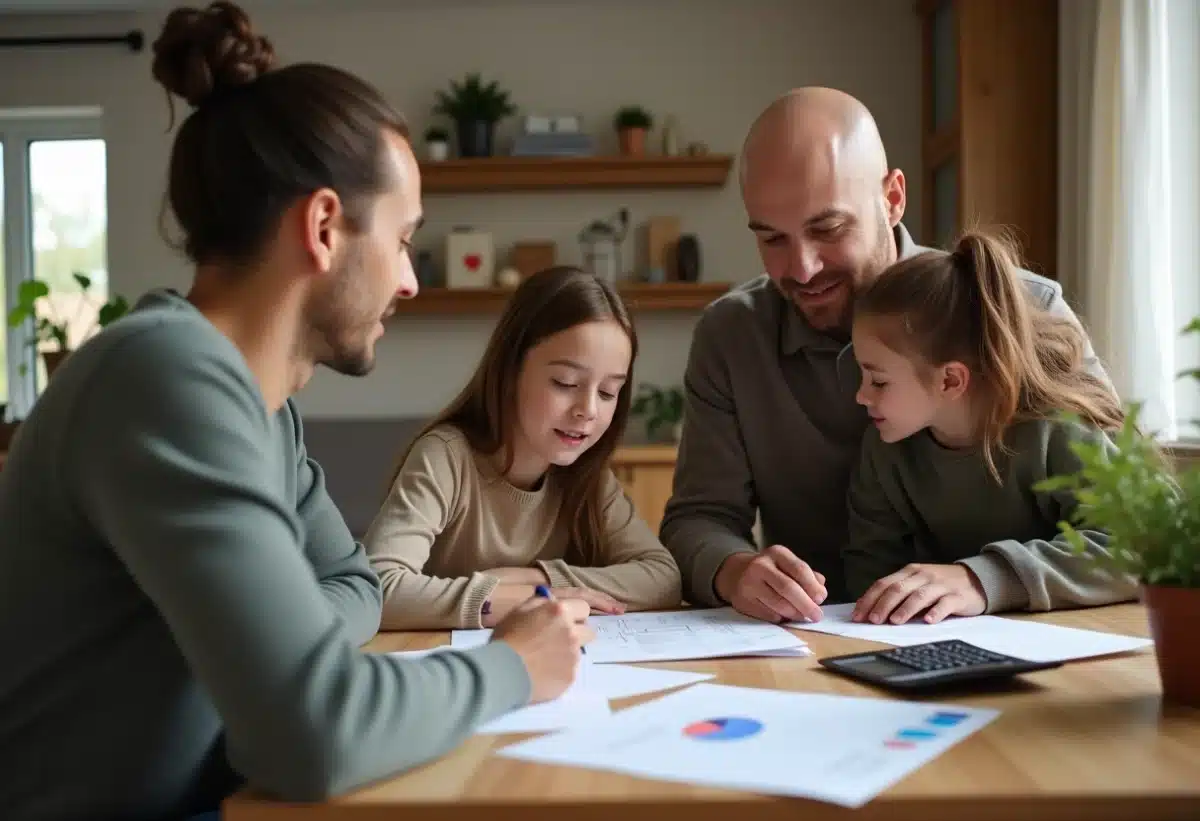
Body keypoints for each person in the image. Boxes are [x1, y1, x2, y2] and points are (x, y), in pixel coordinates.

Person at [0, 4, 591, 820]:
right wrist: (515, 666)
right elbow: (317, 731)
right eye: (403, 239)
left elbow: (355, 585)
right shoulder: (166, 382)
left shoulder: (258, 408)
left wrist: (306, 648)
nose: (411, 280)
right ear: (322, 227)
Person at [660, 86, 1109, 624]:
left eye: (827, 229)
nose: (801, 269)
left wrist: (983, 578)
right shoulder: (732, 336)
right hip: (833, 642)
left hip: (1039, 643)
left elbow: (1132, 529)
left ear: (893, 197)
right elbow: (696, 521)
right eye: (772, 238)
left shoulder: (1023, 311)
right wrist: (733, 569)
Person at [844, 229, 1139, 624]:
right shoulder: (884, 452)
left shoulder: (1058, 432)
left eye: (878, 381)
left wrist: (983, 579)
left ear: (950, 380)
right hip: (943, 650)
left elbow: (1143, 547)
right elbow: (870, 575)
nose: (861, 397)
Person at [364, 266, 682, 630]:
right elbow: (377, 588)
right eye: (565, 383)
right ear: (511, 371)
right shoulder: (445, 457)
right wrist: (502, 598)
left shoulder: (589, 476)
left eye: (609, 392)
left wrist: (539, 581)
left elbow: (663, 578)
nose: (588, 410)